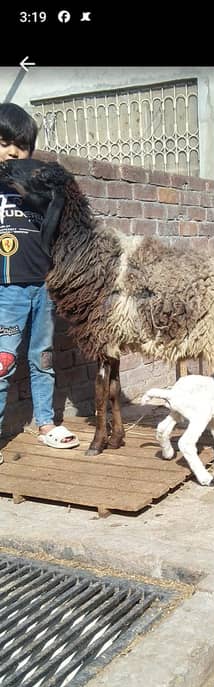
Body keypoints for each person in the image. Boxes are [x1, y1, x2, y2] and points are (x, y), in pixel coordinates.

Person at [0, 102, 79, 463]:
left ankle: (46, 423)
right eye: (3, 144)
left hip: (44, 287)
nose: (11, 153)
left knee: (43, 358)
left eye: (19, 148)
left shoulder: (39, 188)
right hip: (7, 292)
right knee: (2, 363)